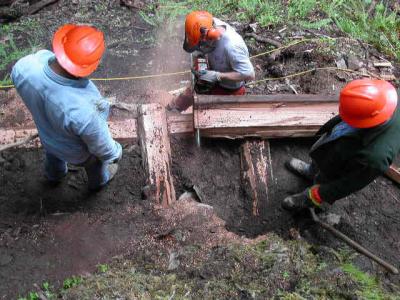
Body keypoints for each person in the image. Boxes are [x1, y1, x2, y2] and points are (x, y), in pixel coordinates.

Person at [11, 24, 122, 191]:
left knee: (53, 154)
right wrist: (115, 153)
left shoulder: (25, 67)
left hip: (47, 137)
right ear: (86, 68)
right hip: (77, 154)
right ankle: (99, 183)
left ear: (62, 46)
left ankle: (54, 175)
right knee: (96, 163)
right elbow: (102, 147)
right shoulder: (87, 109)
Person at [282, 79, 400, 211]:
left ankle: (307, 200)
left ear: (368, 119)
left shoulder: (375, 158)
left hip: (344, 163)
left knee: (326, 178)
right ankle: (312, 171)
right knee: (324, 154)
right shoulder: (384, 96)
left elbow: (349, 184)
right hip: (342, 141)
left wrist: (319, 194)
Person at [170, 10, 255, 111]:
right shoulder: (209, 22)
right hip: (212, 75)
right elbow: (196, 46)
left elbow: (250, 74)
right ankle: (172, 109)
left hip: (230, 91)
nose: (200, 47)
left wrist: (217, 76)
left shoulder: (232, 46)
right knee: (189, 94)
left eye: (201, 44)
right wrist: (200, 60)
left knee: (207, 116)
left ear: (212, 36)